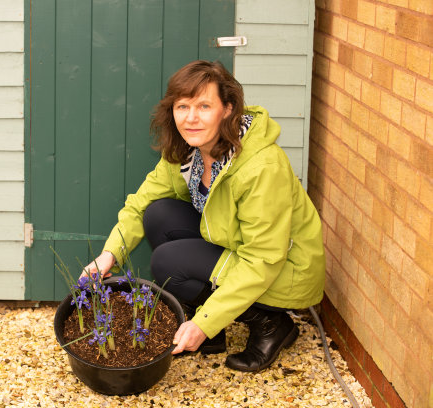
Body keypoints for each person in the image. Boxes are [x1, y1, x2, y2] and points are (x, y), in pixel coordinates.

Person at [82, 60, 325, 372]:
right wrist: (109, 254)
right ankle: (215, 335)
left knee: (168, 262)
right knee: (158, 215)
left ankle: (271, 324)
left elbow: (263, 257)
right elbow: (140, 204)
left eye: (204, 106)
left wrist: (205, 322)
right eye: (182, 106)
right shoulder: (188, 150)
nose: (191, 118)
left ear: (227, 109)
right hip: (237, 245)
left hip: (285, 267)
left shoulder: (261, 167)